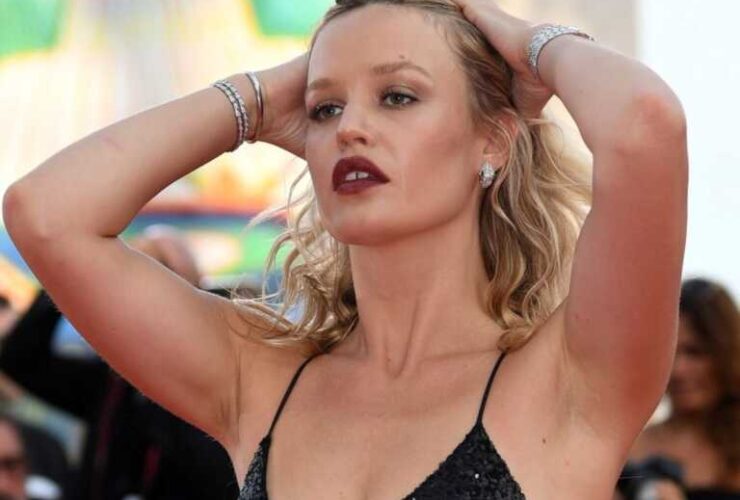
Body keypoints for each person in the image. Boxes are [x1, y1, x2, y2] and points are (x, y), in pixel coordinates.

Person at [2, 0, 688, 497]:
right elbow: (46, 213)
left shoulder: (572, 379)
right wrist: (258, 101)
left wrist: (522, 41)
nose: (350, 128)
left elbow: (644, 124)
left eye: (397, 96)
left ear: (494, 140)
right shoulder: (258, 378)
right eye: (325, 108)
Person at [0, 231, 239, 499]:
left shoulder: (218, 388)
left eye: (157, 272)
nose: (134, 295)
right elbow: (21, 358)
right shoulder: (111, 383)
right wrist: (78, 275)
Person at [627, 278, 740, 499]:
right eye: (670, 353)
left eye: (694, 352)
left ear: (726, 355)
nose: (679, 369)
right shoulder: (631, 447)